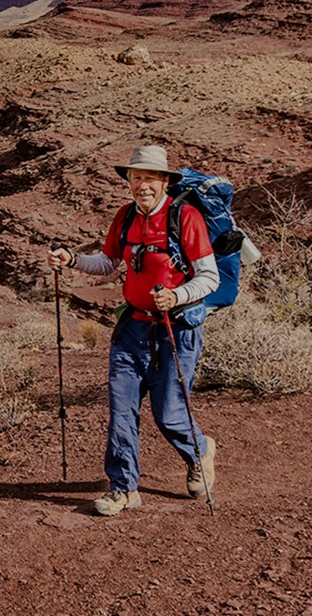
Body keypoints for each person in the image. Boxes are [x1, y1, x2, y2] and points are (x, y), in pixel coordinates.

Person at [49, 144, 218, 516]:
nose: (143, 185)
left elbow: (209, 277)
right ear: (128, 181)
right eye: (136, 177)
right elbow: (109, 263)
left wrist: (177, 295)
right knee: (121, 409)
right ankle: (123, 488)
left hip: (177, 330)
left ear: (164, 182)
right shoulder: (125, 217)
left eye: (150, 178)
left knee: (169, 413)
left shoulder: (185, 217)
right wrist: (73, 259)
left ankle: (199, 451)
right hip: (133, 328)